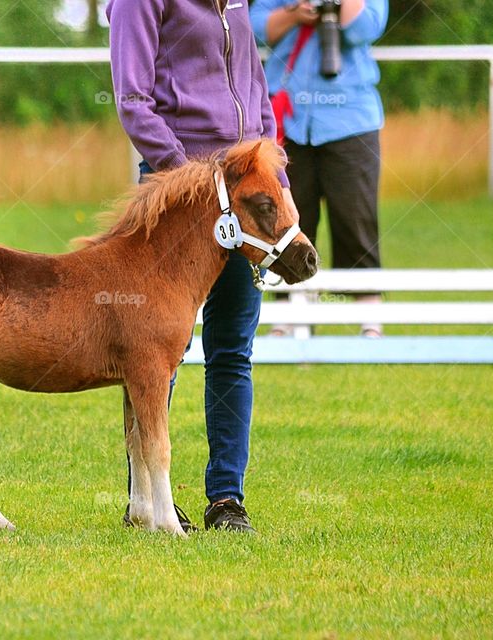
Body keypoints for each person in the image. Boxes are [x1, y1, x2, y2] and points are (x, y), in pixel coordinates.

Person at [106, 0, 302, 532]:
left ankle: (227, 500)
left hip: (247, 191)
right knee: (154, 353)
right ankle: (144, 497)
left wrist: (277, 188)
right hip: (179, 190)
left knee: (232, 347)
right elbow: (133, 100)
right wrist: (191, 183)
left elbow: (258, 96)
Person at [251, 0, 388, 337]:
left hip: (351, 120)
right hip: (288, 121)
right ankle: (291, 319)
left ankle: (370, 322)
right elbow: (254, 28)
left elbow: (365, 29)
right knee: (287, 222)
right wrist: (295, 14)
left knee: (355, 219)